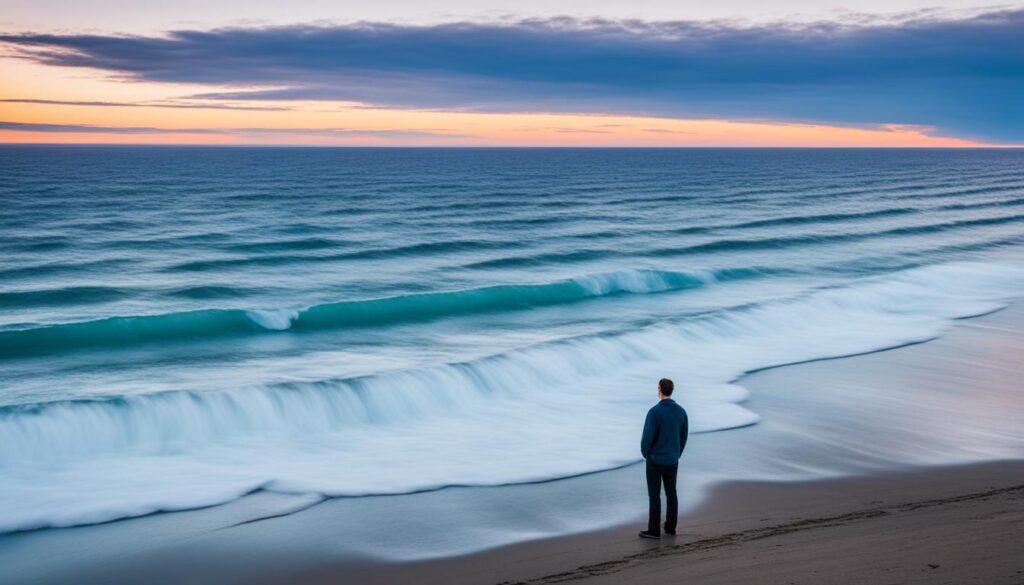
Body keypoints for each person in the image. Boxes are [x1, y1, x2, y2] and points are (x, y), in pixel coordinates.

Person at [638, 377, 689, 540]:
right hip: (672, 459)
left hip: (655, 460)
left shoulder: (654, 412)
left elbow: (647, 438)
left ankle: (654, 530)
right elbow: (683, 436)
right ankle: (670, 527)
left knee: (654, 495)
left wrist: (646, 453)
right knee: (671, 493)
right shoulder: (681, 412)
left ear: (659, 390)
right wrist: (676, 453)